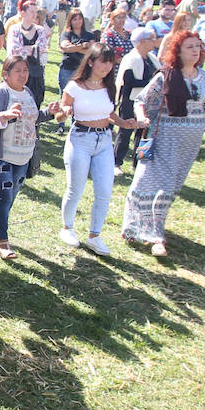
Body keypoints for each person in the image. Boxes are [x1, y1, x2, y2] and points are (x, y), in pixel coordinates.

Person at [121, 32, 205, 257]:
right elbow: (142, 100)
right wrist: (143, 118)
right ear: (178, 51)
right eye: (189, 47)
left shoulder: (204, 78)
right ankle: (155, 236)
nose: (195, 51)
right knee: (155, 185)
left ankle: (143, 226)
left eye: (197, 46)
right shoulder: (166, 76)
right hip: (165, 137)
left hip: (190, 142)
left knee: (172, 187)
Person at [57, 43, 145, 257]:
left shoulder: (108, 85)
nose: (107, 67)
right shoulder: (75, 86)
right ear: (91, 61)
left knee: (104, 191)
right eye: (103, 61)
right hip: (80, 138)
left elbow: (108, 112)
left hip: (104, 141)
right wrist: (65, 112)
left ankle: (95, 235)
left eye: (110, 62)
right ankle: (67, 228)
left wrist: (123, 123)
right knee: (75, 188)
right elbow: (60, 114)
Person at [0, 55, 40, 260]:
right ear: (5, 74)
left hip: (24, 155)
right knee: (4, 196)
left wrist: (51, 113)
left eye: (25, 70)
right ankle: (2, 241)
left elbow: (34, 117)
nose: (23, 74)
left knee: (12, 194)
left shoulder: (28, 92)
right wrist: (6, 114)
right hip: (1, 155)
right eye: (18, 71)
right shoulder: (0, 92)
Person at [114, 27, 161, 173]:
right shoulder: (131, 58)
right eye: (151, 39)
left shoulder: (152, 58)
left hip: (149, 102)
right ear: (142, 41)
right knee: (125, 131)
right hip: (130, 100)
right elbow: (128, 81)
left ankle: (139, 163)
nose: (155, 42)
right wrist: (151, 82)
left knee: (144, 134)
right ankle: (116, 162)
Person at [7, 0, 51, 107]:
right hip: (17, 71)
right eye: (31, 12)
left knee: (35, 101)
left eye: (36, 12)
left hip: (36, 72)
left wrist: (27, 49)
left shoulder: (40, 30)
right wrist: (32, 49)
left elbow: (42, 48)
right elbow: (14, 49)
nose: (34, 15)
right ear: (22, 13)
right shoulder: (14, 29)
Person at [59, 7, 95, 100]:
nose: (78, 21)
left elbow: (92, 51)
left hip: (84, 70)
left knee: (81, 97)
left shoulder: (89, 35)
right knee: (65, 97)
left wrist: (73, 48)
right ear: (70, 21)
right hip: (68, 68)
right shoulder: (66, 34)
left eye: (80, 19)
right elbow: (65, 47)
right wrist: (83, 45)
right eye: (75, 19)